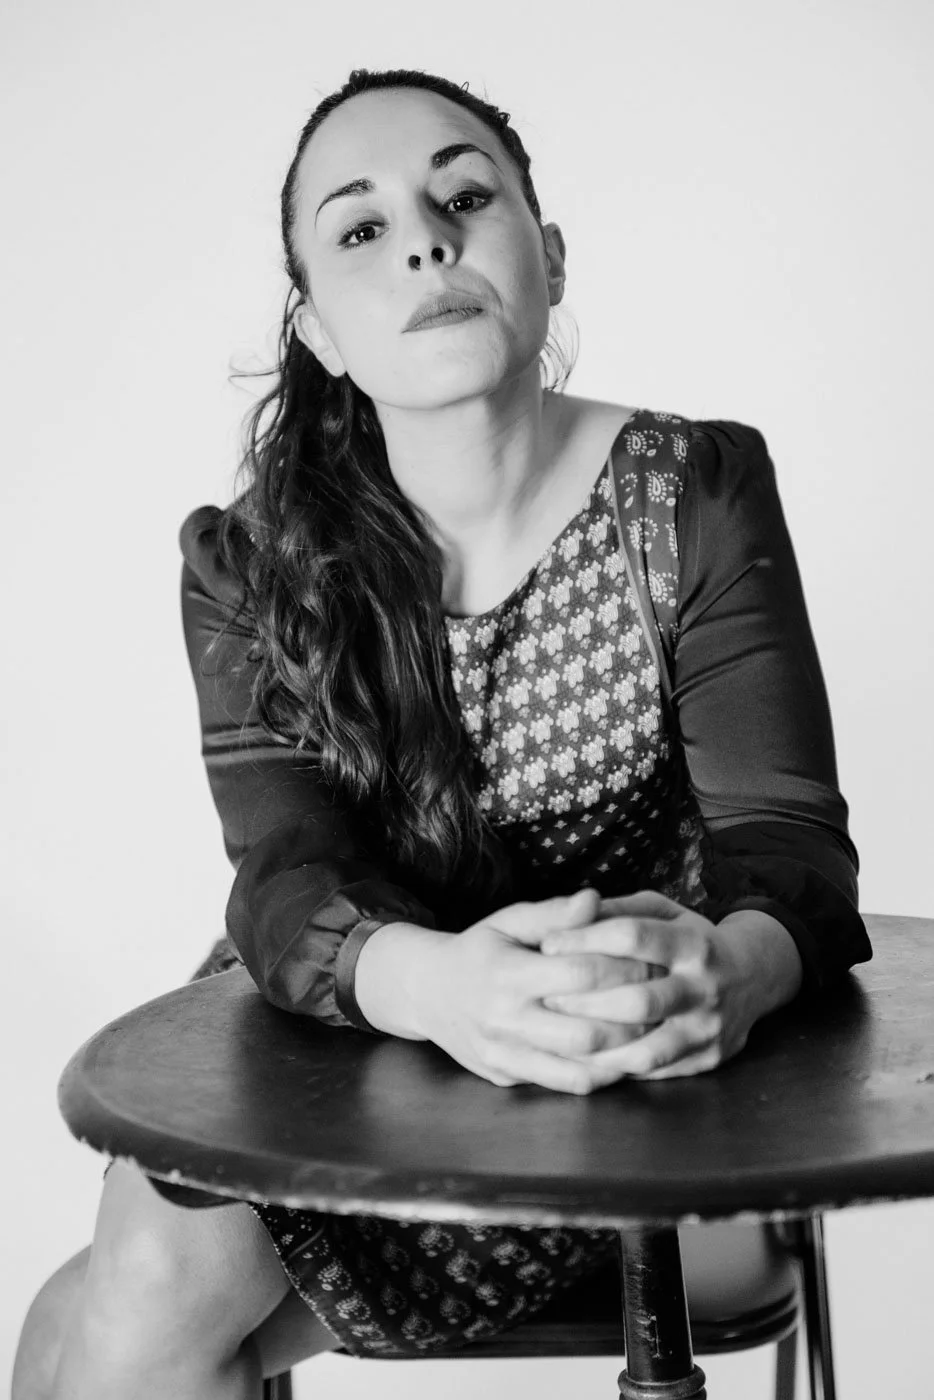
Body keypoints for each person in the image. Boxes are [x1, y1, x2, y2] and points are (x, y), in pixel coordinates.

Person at [14, 65, 871, 1400]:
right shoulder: (249, 563)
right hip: (348, 1016)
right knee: (139, 1292)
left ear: (550, 256)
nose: (423, 240)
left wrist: (735, 973)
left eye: (463, 197)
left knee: (98, 1323)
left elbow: (791, 847)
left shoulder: (690, 493)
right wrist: (437, 989)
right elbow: (287, 879)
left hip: (607, 1057)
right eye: (361, 228)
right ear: (319, 331)